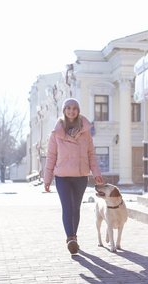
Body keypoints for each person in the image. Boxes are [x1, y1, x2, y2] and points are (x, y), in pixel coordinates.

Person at [44, 98, 104, 254]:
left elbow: (91, 154)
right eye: (68, 108)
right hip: (62, 177)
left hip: (80, 176)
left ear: (78, 111)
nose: (71, 111)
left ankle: (74, 237)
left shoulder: (85, 131)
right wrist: (47, 178)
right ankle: (70, 238)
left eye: (74, 108)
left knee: (76, 208)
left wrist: (96, 173)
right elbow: (51, 156)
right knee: (67, 207)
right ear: (64, 111)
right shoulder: (57, 132)